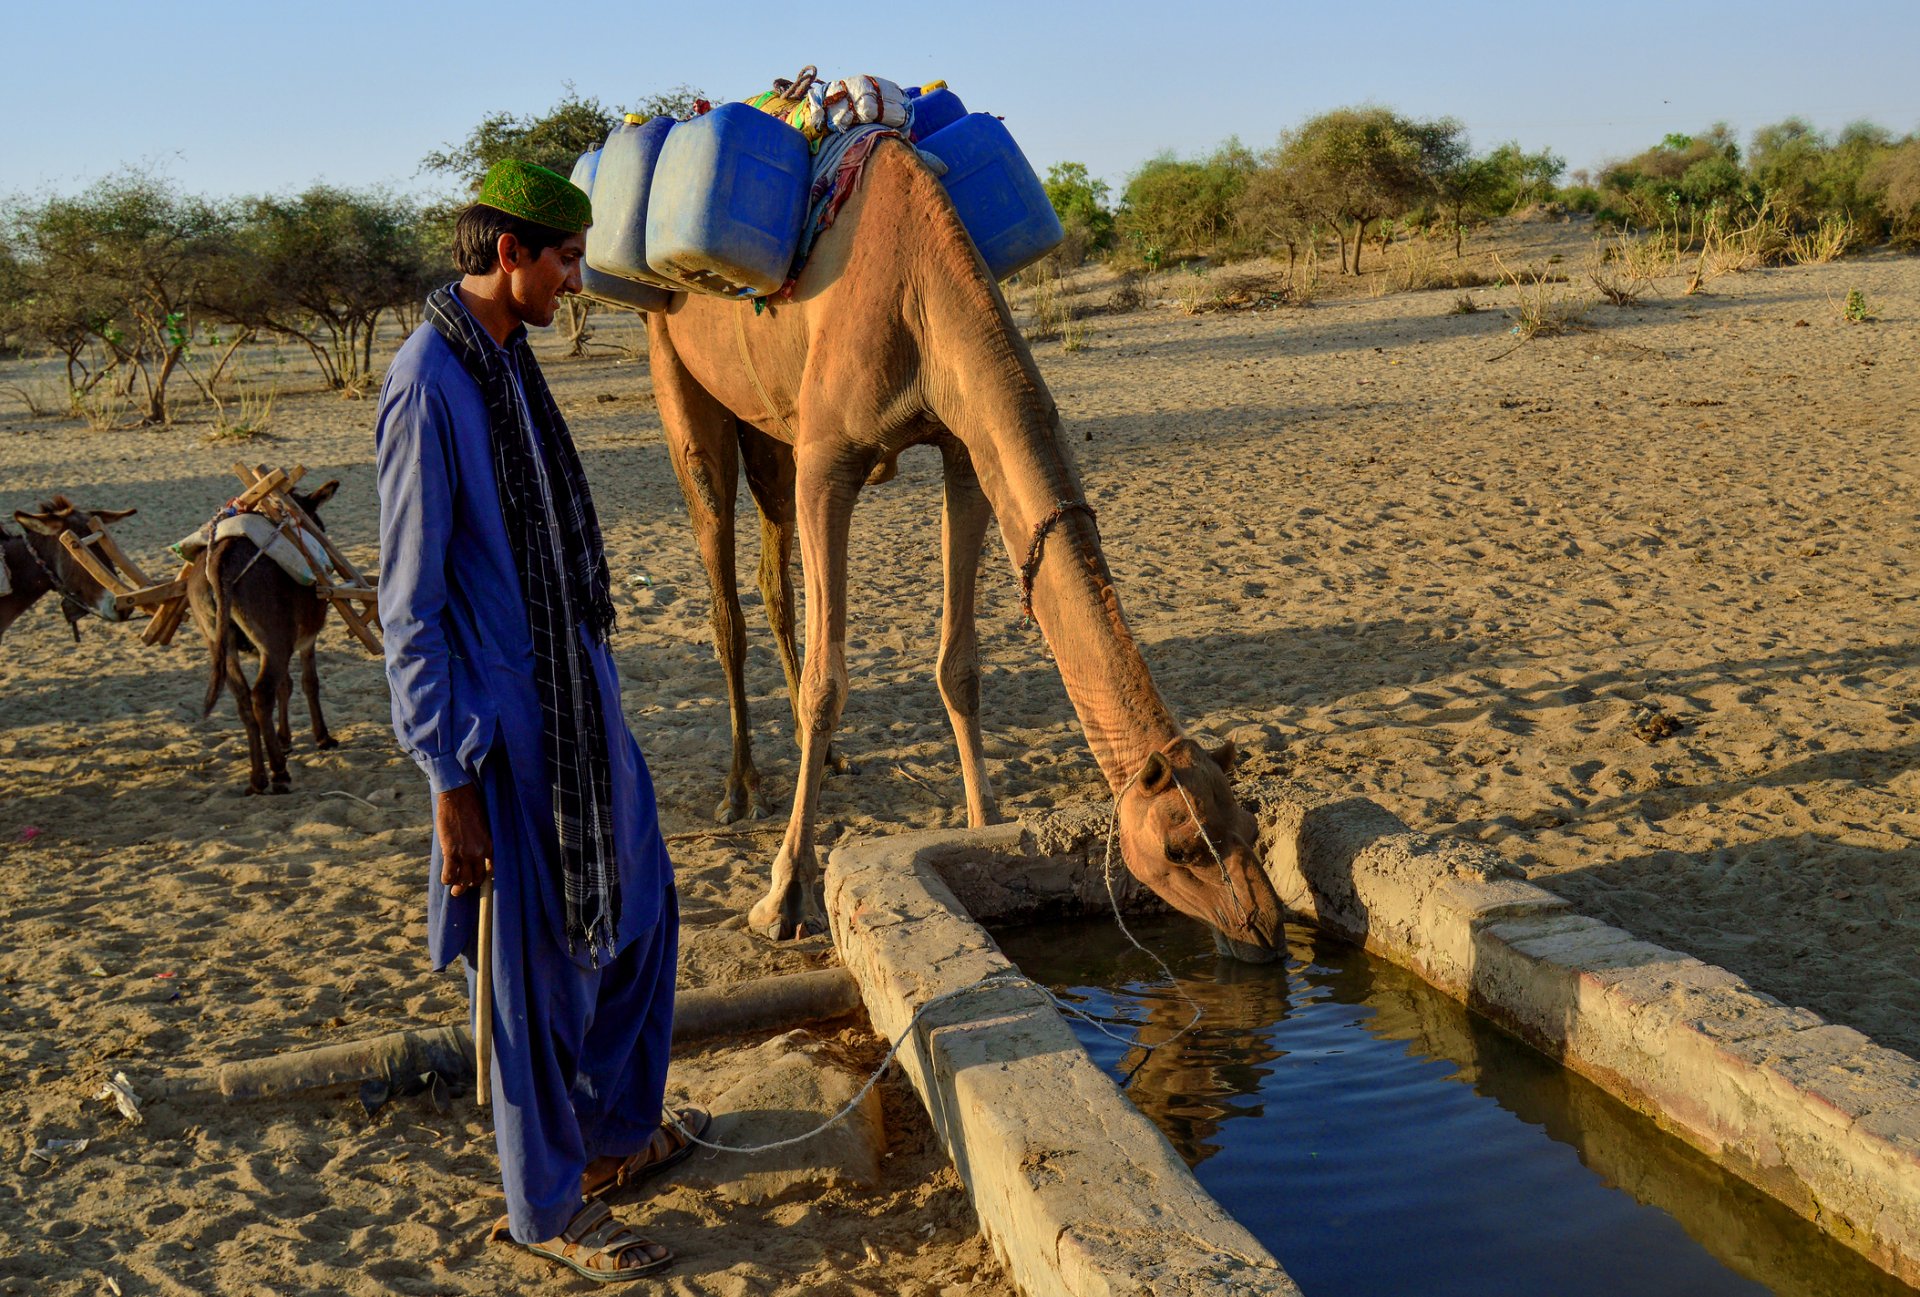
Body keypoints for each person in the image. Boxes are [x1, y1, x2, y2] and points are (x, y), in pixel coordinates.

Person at [374, 158, 707, 1284]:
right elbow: (407, 605)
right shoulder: (430, 383)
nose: (577, 275)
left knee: (645, 907)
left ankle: (615, 1140)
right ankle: (548, 1212)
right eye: (565, 256)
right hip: (504, 733)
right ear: (510, 253)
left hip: (581, 703)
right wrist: (447, 784)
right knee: (533, 975)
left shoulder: (511, 364)